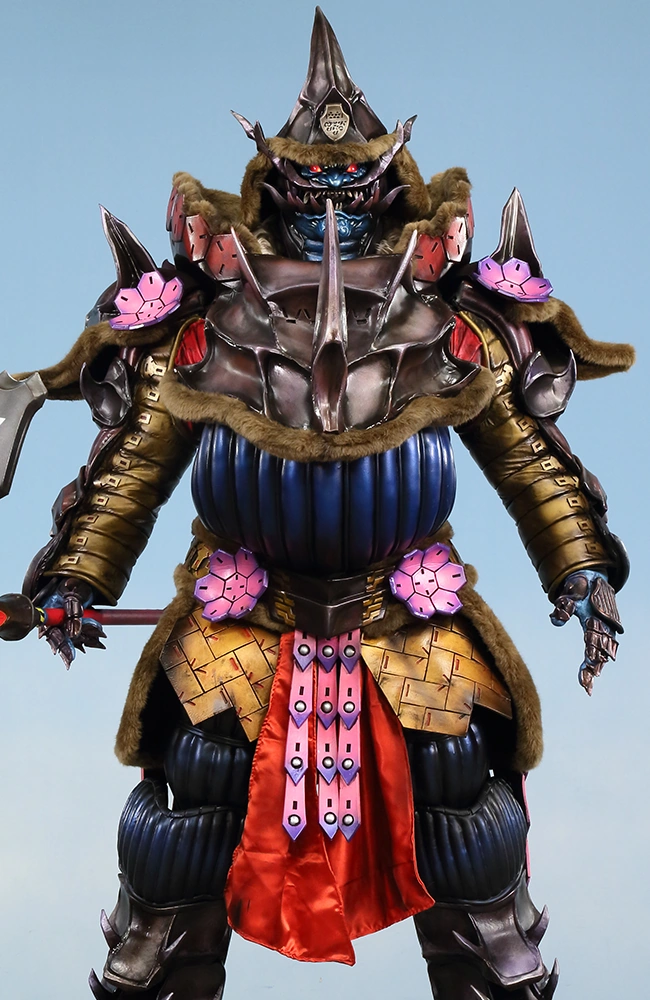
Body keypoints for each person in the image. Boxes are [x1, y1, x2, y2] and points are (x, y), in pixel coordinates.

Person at [13, 8, 632, 999]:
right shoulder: (203, 322)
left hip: (406, 616)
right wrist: (77, 576)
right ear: (277, 190)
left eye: (353, 190)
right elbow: (132, 466)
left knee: (467, 811)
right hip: (243, 619)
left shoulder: (453, 320)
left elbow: (526, 458)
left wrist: (581, 568)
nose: (334, 215)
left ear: (387, 188)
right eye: (314, 191)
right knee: (185, 814)